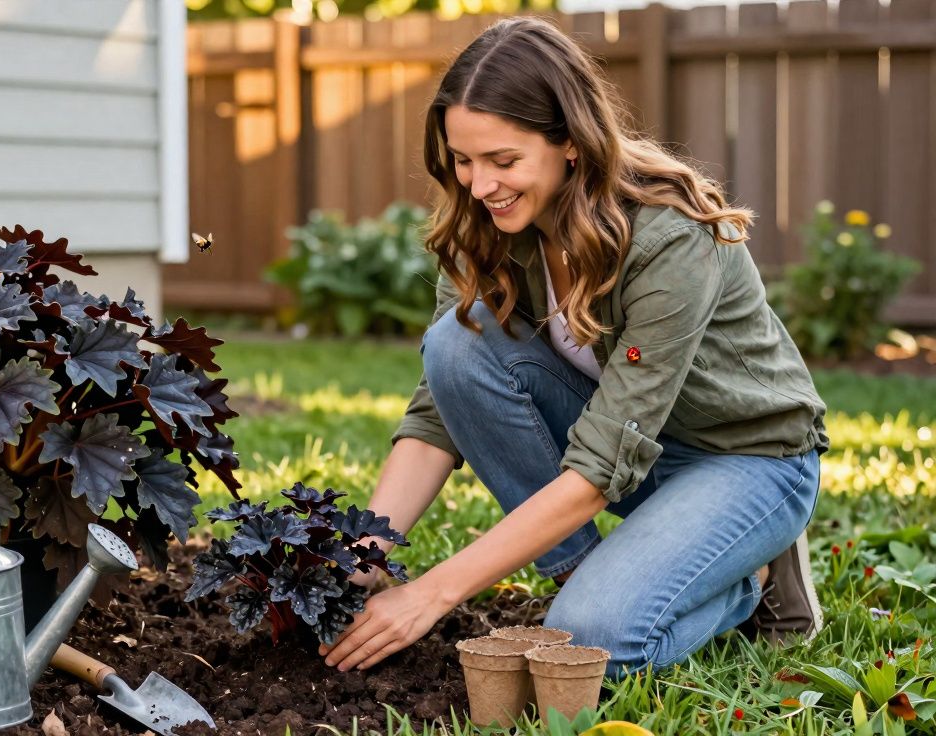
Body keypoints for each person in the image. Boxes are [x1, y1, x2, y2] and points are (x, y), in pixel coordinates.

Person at [318, 15, 830, 678]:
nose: (479, 185)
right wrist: (365, 554)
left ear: (571, 144)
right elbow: (439, 409)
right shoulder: (488, 221)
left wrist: (430, 593)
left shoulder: (666, 235)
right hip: (635, 455)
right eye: (465, 161)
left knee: (590, 644)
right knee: (454, 346)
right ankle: (594, 577)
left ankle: (750, 580)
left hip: (748, 462)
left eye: (503, 161)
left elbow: (600, 464)